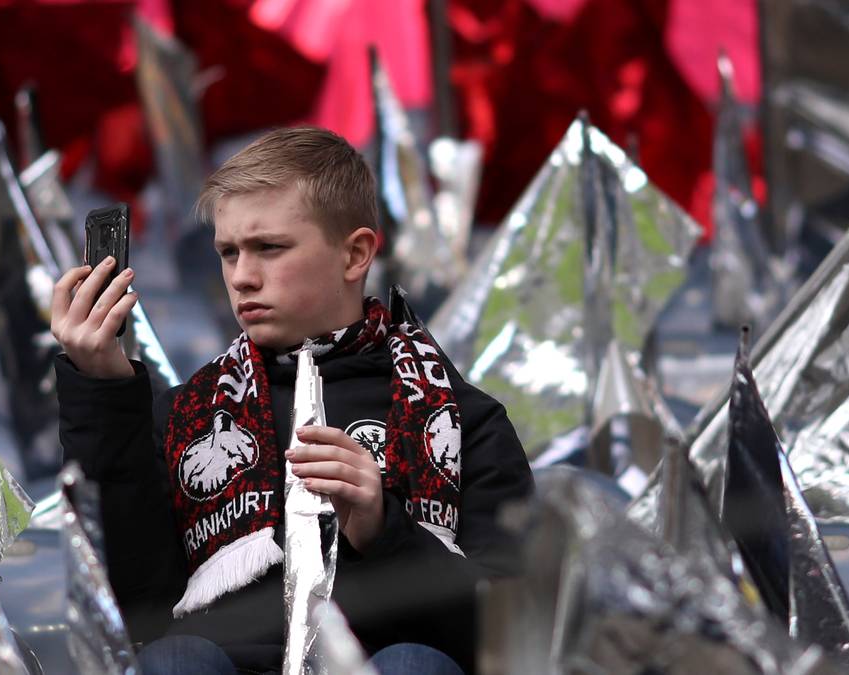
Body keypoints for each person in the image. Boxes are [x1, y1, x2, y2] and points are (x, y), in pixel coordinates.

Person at [52, 127, 533, 675]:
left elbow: (512, 636)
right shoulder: (187, 415)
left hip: (379, 664)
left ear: (355, 254)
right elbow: (133, 611)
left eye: (269, 248)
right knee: (176, 659)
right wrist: (103, 390)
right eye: (228, 252)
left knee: (412, 665)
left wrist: (383, 529)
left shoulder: (465, 419)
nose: (242, 277)